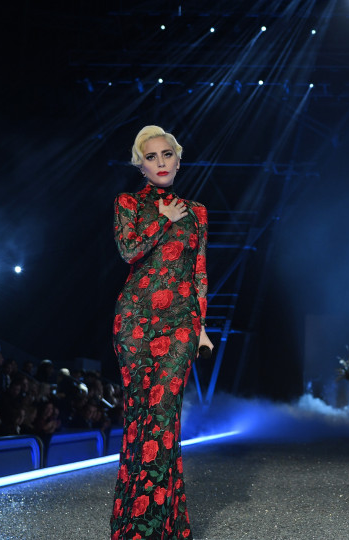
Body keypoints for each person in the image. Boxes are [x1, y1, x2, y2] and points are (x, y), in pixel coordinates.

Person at [110, 125, 213, 539]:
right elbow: (128, 250)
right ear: (140, 165)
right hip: (134, 323)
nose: (160, 163)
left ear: (178, 158)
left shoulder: (198, 211)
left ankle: (152, 528)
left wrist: (202, 327)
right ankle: (138, 525)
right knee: (139, 420)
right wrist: (163, 222)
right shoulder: (128, 203)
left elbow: (200, 272)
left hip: (180, 324)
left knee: (163, 420)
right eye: (150, 157)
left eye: (166, 154)